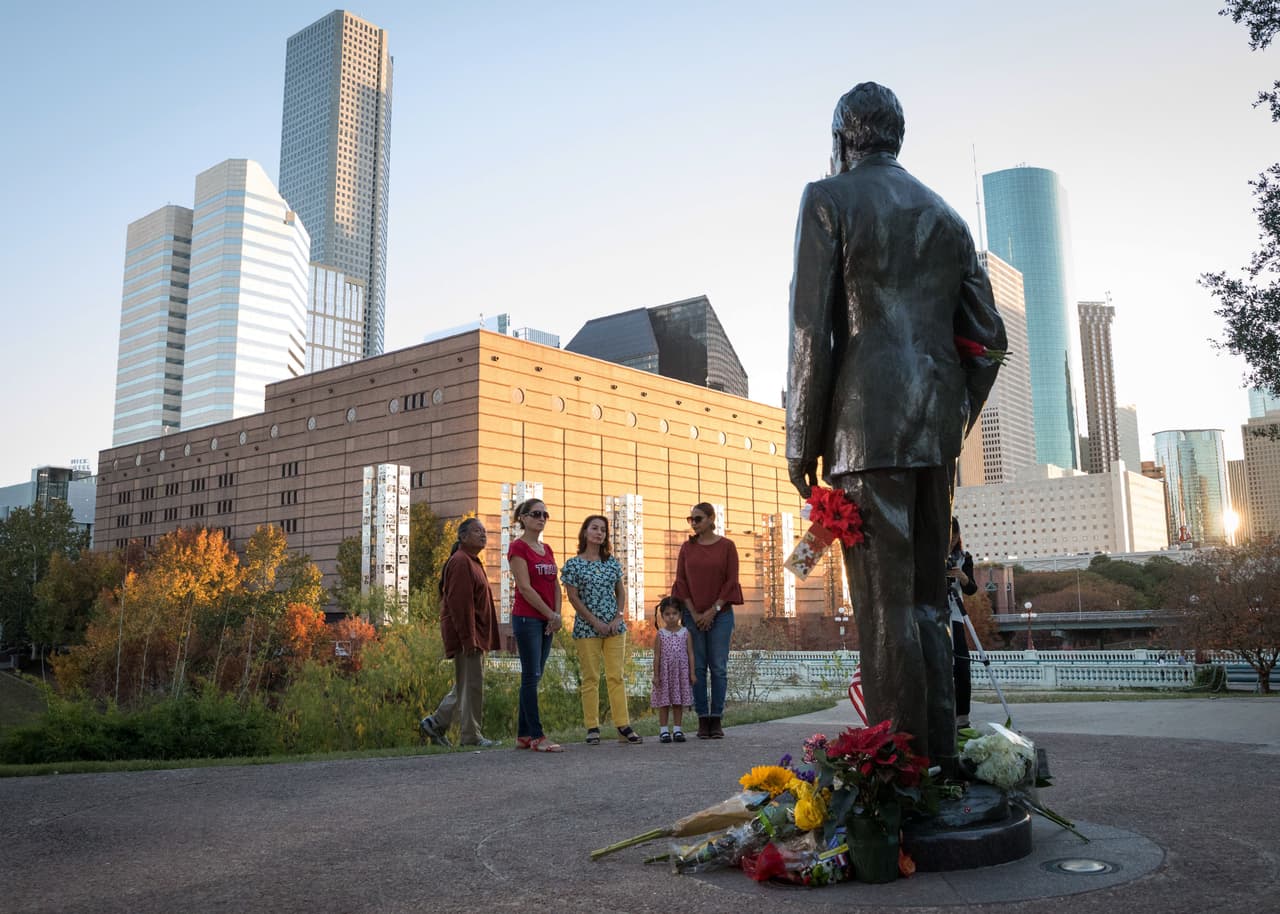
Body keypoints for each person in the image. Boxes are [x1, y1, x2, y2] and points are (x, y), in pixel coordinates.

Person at [785, 82, 1005, 772]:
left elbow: (810, 330)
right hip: (932, 428)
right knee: (928, 602)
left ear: (846, 135)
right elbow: (990, 340)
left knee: (884, 609)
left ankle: (896, 773)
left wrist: (801, 438)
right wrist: (955, 415)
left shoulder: (828, 198)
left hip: (865, 429)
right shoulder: (946, 218)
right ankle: (936, 759)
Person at [419, 518, 503, 748]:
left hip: (477, 635)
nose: (483, 535)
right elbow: (459, 605)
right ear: (463, 537)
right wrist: (469, 639)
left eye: (484, 531)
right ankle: (471, 736)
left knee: (465, 684)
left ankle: (435, 724)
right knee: (472, 686)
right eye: (477, 531)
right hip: (469, 637)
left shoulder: (472, 561)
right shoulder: (460, 562)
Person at [562, 514, 642, 745]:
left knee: (616, 676)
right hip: (588, 628)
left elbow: (621, 592)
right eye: (594, 528)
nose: (599, 533)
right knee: (591, 678)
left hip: (615, 628)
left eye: (603, 530)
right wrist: (594, 621)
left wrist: (618, 617)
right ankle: (592, 727)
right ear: (585, 532)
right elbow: (573, 598)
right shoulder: (573, 564)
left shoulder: (611, 563)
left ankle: (623, 725)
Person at [672, 502, 743, 740]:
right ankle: (703, 719)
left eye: (698, 519)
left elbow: (731, 582)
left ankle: (717, 719)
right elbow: (681, 583)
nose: (693, 523)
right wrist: (694, 614)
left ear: (712, 519)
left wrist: (713, 611)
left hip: (721, 616)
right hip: (693, 616)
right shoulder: (686, 549)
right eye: (690, 519)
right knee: (698, 667)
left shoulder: (727, 546)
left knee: (719, 668)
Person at [509, 498, 564, 752]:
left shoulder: (547, 549)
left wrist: (557, 614)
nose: (541, 518)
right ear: (523, 517)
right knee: (531, 677)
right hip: (527, 618)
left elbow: (554, 584)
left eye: (545, 514)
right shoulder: (518, 548)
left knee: (535, 676)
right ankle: (537, 737)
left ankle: (523, 735)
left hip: (546, 620)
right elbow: (525, 587)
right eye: (536, 513)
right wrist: (549, 614)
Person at [946, 518, 977, 729]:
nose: (952, 541)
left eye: (955, 537)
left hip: (956, 615)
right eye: (949, 537)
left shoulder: (964, 558)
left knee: (962, 666)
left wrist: (963, 577)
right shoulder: (928, 555)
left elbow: (972, 589)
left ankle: (962, 717)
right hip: (934, 616)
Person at [650, 596, 695, 743]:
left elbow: (690, 654)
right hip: (665, 673)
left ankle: (677, 729)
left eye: (674, 613)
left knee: (677, 702)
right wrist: (656, 675)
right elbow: (657, 656)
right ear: (662, 616)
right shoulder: (661, 634)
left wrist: (692, 673)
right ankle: (663, 730)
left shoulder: (685, 633)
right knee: (664, 702)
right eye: (667, 614)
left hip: (680, 673)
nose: (671, 617)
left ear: (680, 614)